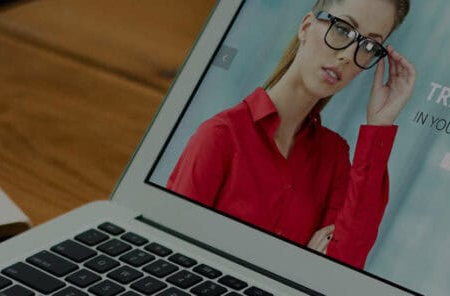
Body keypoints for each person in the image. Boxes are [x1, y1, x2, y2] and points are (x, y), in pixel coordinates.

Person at [168, 0, 415, 269]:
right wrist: (295, 266)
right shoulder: (221, 137)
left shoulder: (334, 158)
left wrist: (379, 126)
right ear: (307, 27)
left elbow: (338, 273)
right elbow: (172, 259)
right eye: (343, 29)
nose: (347, 54)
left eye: (368, 46)